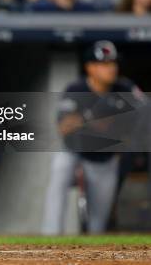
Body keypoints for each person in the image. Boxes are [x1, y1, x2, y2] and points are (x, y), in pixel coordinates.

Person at [42, 41, 146, 234]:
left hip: (104, 158)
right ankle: (51, 234)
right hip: (75, 152)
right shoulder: (76, 89)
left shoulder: (124, 88)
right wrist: (91, 116)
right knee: (60, 168)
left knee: (98, 221)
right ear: (90, 67)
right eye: (104, 64)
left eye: (113, 63)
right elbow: (63, 127)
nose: (111, 68)